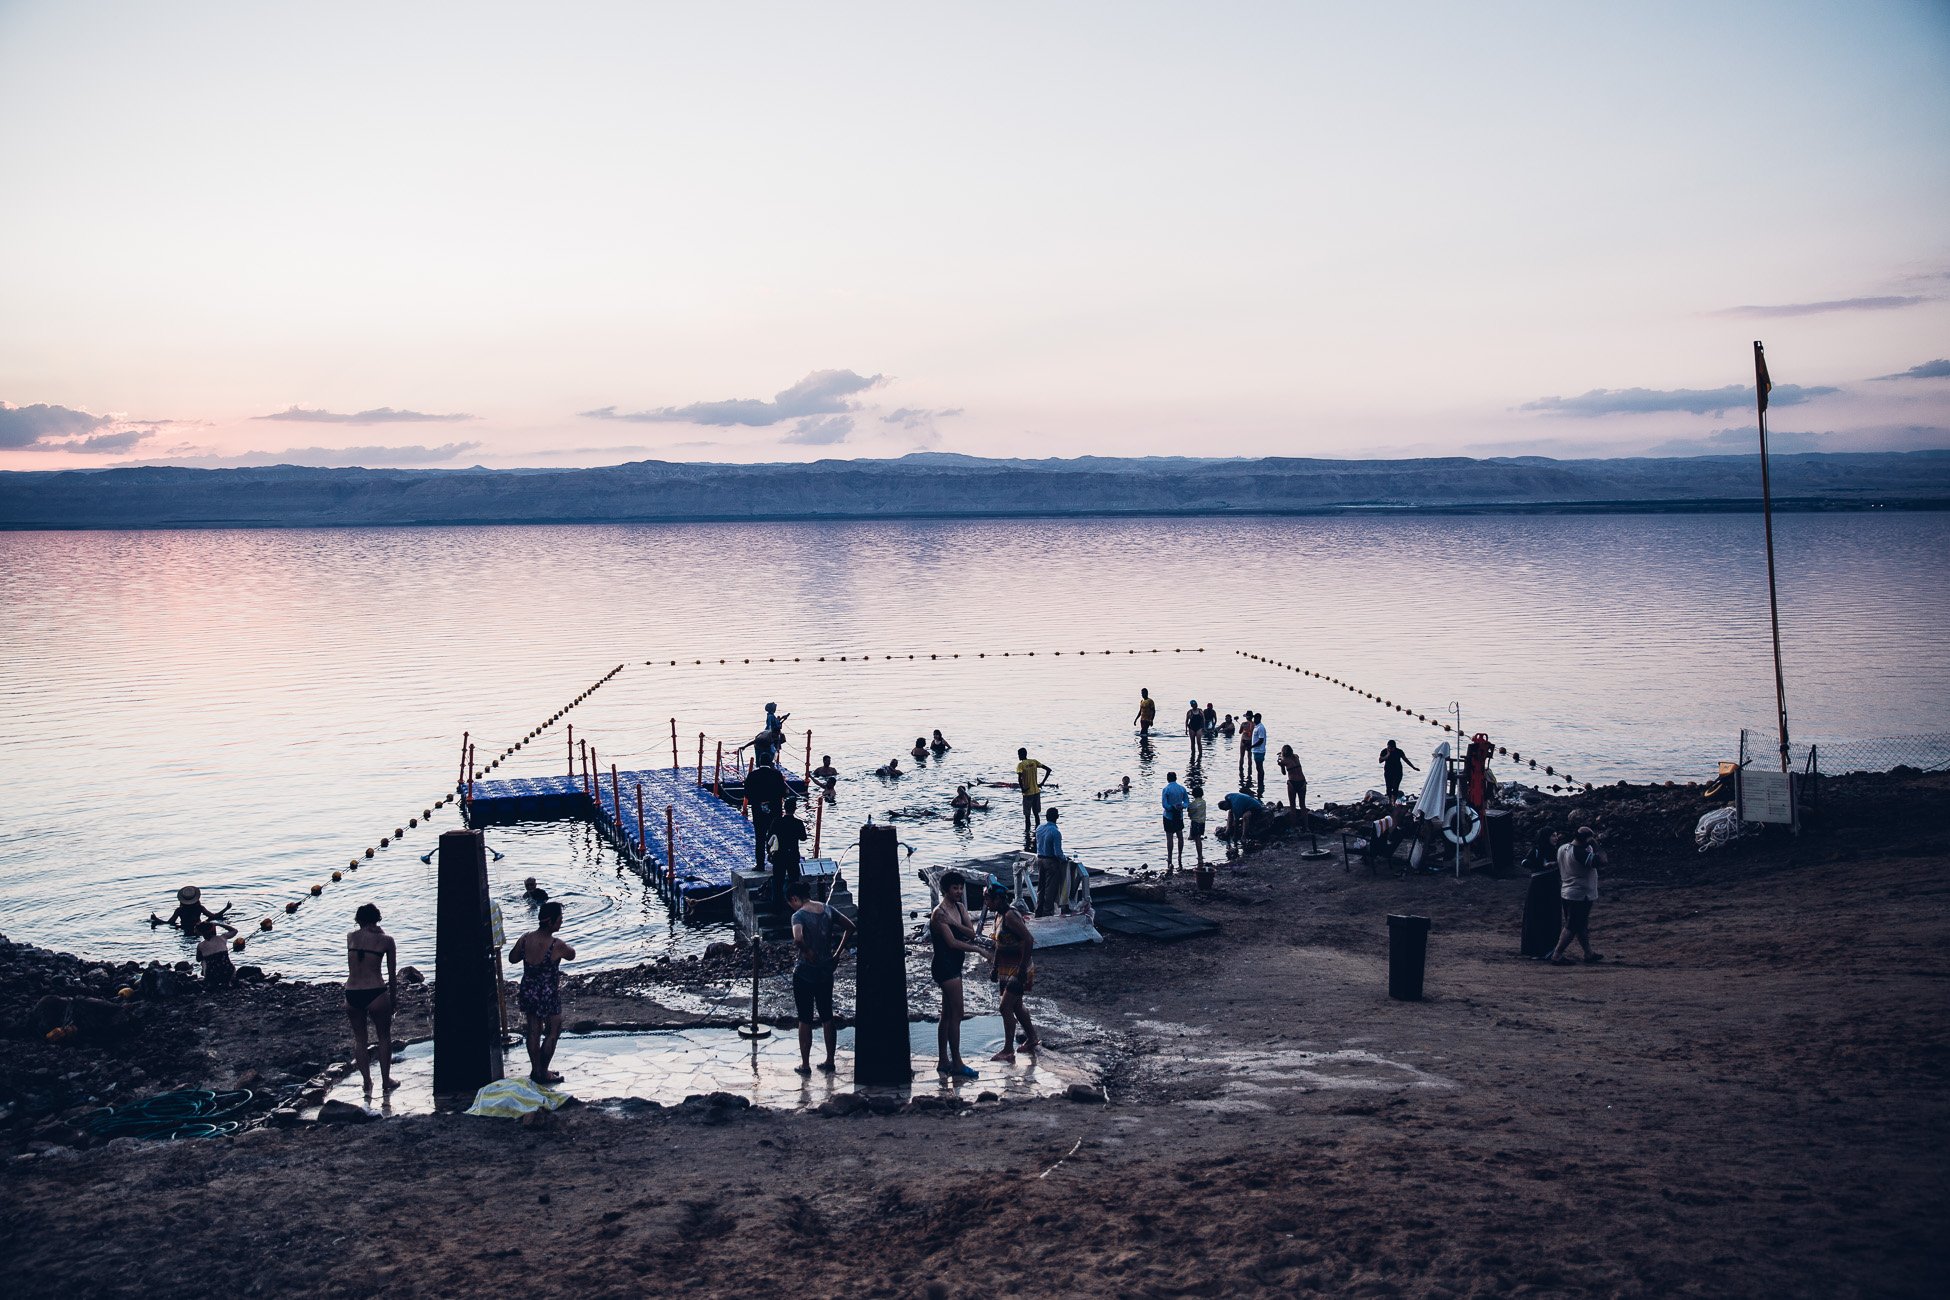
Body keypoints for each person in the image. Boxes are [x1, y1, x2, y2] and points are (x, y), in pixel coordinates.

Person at [786, 878, 855, 1076]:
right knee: (827, 1015)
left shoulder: (798, 916)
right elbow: (850, 927)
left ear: (794, 899)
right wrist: (837, 954)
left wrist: (807, 952)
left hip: (805, 971)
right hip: (826, 969)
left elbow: (797, 938)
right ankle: (830, 1060)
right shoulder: (827, 909)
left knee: (804, 1018)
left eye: (790, 903)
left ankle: (805, 1064)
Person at [929, 875, 987, 1079]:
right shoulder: (938, 913)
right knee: (957, 1014)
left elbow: (971, 934)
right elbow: (952, 943)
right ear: (945, 890)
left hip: (955, 965)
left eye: (961, 888)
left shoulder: (960, 908)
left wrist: (954, 922)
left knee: (946, 1015)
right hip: (945, 967)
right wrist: (979, 951)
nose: (959, 892)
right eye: (955, 888)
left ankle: (943, 1060)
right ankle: (957, 1062)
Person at [510, 900, 574, 1083]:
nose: (561, 922)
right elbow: (572, 954)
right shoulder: (556, 945)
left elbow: (512, 958)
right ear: (551, 922)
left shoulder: (525, 939)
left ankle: (535, 1069)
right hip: (548, 992)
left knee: (533, 1030)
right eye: (560, 919)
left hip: (528, 989)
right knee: (553, 1030)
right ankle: (543, 1071)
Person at [345, 903, 399, 1094]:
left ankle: (367, 1082)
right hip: (375, 991)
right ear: (377, 919)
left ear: (358, 920)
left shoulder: (350, 937)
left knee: (360, 1040)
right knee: (384, 1037)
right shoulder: (386, 940)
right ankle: (386, 1081)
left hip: (351, 992)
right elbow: (392, 974)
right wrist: (393, 998)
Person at [985, 883, 1039, 1063]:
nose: (986, 902)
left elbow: (1029, 939)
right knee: (1016, 1006)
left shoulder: (1010, 916)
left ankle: (1008, 1050)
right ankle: (1031, 1038)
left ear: (998, 899)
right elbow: (999, 944)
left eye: (988, 899)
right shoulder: (998, 916)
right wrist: (994, 967)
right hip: (1006, 968)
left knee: (1004, 1007)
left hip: (1019, 968)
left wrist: (1022, 969)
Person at [1550, 826, 1606, 965]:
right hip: (1581, 894)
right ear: (1587, 839)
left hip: (1567, 891)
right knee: (1572, 925)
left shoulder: (1563, 848)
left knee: (1581, 924)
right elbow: (1602, 860)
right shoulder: (1580, 853)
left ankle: (1588, 953)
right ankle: (1557, 954)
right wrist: (1595, 845)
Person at [744, 757, 788, 874]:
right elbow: (783, 792)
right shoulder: (777, 775)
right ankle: (777, 862)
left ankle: (760, 864)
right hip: (775, 811)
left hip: (758, 811)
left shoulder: (753, 775)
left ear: (759, 763)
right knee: (776, 837)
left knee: (760, 838)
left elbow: (747, 794)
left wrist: (758, 801)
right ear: (770, 763)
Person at [770, 796, 808, 909]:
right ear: (795, 809)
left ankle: (777, 907)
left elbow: (770, 837)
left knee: (777, 881)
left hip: (779, 855)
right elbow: (803, 838)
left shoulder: (777, 822)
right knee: (794, 881)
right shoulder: (798, 823)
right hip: (792, 855)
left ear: (784, 808)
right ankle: (795, 905)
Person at [1033, 807, 1067, 916]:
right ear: (1057, 817)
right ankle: (1047, 912)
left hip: (1040, 859)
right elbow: (1058, 852)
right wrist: (1064, 859)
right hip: (1051, 861)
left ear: (1046, 817)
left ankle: (1038, 910)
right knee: (1050, 889)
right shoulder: (1056, 832)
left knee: (1041, 887)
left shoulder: (1039, 828)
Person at [1015, 747, 1052, 842]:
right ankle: (1038, 834)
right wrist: (1042, 783)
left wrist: (1022, 788)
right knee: (1036, 815)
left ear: (1022, 754)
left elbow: (1019, 778)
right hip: (1036, 792)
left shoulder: (1021, 765)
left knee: (1027, 816)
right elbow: (1048, 770)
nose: (1018, 756)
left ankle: (1027, 835)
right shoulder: (1034, 762)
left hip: (1027, 794)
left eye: (1019, 754)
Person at [152, 885, 229, 930]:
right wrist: (226, 908)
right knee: (209, 920)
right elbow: (214, 916)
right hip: (198, 928)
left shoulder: (179, 910)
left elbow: (169, 923)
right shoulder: (199, 908)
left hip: (184, 928)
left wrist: (156, 919)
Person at [1160, 771, 1190, 873]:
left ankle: (1169, 858)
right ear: (1176, 778)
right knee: (1180, 836)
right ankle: (1180, 856)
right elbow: (1186, 802)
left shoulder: (1166, 789)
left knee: (1169, 838)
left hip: (1169, 816)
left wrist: (1172, 807)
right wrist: (1182, 806)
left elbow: (1165, 805)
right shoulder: (1182, 788)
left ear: (1167, 779)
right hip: (1179, 815)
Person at [195, 919, 238, 987]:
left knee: (203, 960)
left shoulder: (200, 945)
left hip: (212, 975)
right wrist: (219, 924)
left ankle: (209, 981)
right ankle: (228, 982)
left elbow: (198, 959)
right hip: (229, 972)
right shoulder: (222, 938)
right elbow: (235, 931)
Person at [1278, 744, 1307, 812]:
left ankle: (1293, 822)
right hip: (1302, 781)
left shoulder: (1283, 761)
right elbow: (1293, 755)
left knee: (1292, 806)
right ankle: (1306, 822)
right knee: (1302, 805)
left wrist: (1281, 763)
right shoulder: (1296, 757)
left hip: (1292, 782)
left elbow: (1284, 773)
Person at [1188, 782, 1208, 870]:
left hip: (1195, 822)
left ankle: (1200, 856)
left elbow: (1190, 813)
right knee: (1198, 838)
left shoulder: (1193, 804)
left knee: (1197, 839)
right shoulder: (1204, 802)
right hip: (1202, 822)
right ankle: (1200, 855)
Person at [1250, 713, 1269, 795]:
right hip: (1256, 750)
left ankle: (1261, 783)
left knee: (1259, 767)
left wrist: (1252, 746)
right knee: (1258, 768)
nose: (1254, 720)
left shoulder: (1261, 727)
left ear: (1259, 718)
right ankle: (1260, 782)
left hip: (1259, 751)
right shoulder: (1256, 727)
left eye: (1255, 718)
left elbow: (1261, 740)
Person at [1184, 700, 1204, 765]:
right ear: (1191, 706)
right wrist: (1186, 730)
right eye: (1193, 705)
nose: (1194, 705)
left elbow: (1203, 719)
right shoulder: (1189, 712)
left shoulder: (1200, 711)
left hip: (1199, 727)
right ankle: (1193, 753)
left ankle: (1200, 754)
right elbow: (1186, 721)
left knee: (1199, 742)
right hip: (1192, 728)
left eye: (1195, 704)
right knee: (1192, 742)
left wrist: (1204, 728)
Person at [1237, 712, 1254, 786]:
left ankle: (1241, 770)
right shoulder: (1254, 724)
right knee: (1249, 757)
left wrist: (1243, 728)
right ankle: (1249, 771)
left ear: (1246, 717)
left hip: (1243, 741)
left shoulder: (1243, 724)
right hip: (1250, 741)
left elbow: (1240, 732)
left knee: (1242, 756)